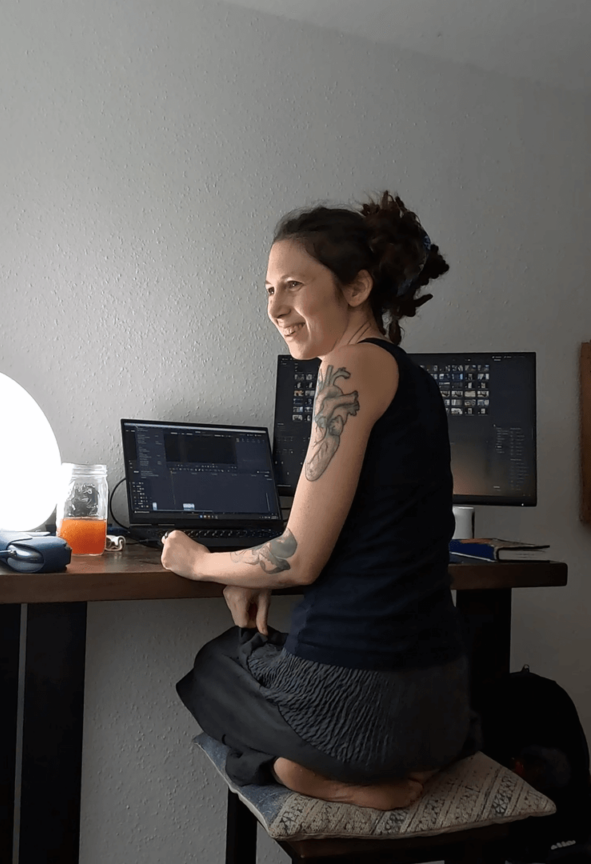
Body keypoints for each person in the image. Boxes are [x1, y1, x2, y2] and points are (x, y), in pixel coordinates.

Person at [161, 191, 470, 811]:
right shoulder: (417, 382)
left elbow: (297, 557)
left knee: (213, 666)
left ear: (356, 289)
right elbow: (359, 535)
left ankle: (319, 775)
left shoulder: (348, 367)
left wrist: (200, 563)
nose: (275, 306)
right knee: (263, 642)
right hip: (442, 711)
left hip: (357, 711)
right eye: (268, 289)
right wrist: (258, 576)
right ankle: (393, 762)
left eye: (294, 285)